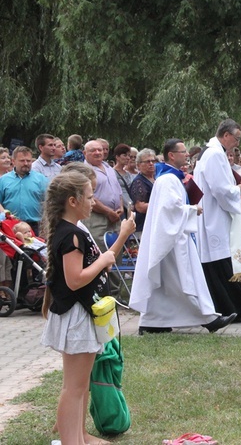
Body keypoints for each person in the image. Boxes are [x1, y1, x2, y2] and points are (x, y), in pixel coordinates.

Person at [40, 171, 135, 445]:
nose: (94, 202)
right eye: (90, 197)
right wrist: (104, 259)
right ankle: (72, 441)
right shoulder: (71, 236)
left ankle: (79, 437)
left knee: (78, 387)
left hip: (81, 315)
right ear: (73, 200)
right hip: (77, 316)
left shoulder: (70, 231)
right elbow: (74, 280)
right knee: (74, 388)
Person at [130, 139, 236, 335]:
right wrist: (192, 209)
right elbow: (169, 210)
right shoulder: (167, 180)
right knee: (184, 280)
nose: (187, 154)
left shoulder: (171, 178)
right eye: (183, 151)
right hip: (171, 241)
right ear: (171, 155)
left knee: (171, 283)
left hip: (174, 236)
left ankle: (154, 321)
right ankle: (208, 318)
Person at [193, 119, 241, 323]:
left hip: (214, 214)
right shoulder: (214, 154)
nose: (237, 143)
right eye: (236, 138)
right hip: (215, 217)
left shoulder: (212, 151)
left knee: (220, 265)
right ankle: (230, 308)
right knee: (219, 264)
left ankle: (232, 307)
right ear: (226, 135)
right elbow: (220, 188)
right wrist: (237, 190)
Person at [82, 140, 123, 254]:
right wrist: (108, 212)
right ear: (85, 153)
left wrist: (121, 207)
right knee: (100, 251)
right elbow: (89, 196)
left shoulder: (109, 167)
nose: (98, 152)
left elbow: (117, 190)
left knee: (117, 252)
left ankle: (117, 272)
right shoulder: (84, 171)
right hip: (96, 218)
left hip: (115, 217)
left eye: (100, 150)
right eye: (93, 150)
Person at [0, 146, 49, 235]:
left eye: (29, 161)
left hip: (34, 226)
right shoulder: (3, 180)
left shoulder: (41, 179)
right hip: (10, 226)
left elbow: (49, 202)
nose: (26, 163)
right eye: (22, 161)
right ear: (13, 161)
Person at [129, 148, 157, 233]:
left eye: (153, 161)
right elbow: (140, 207)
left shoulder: (156, 178)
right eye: (147, 161)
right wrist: (161, 204)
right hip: (144, 226)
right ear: (138, 165)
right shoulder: (139, 182)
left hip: (155, 223)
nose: (151, 164)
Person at [112, 143, 134, 218]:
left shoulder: (128, 174)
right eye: (125, 155)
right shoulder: (112, 173)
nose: (128, 158)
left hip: (131, 208)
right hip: (121, 209)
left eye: (129, 156)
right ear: (117, 157)